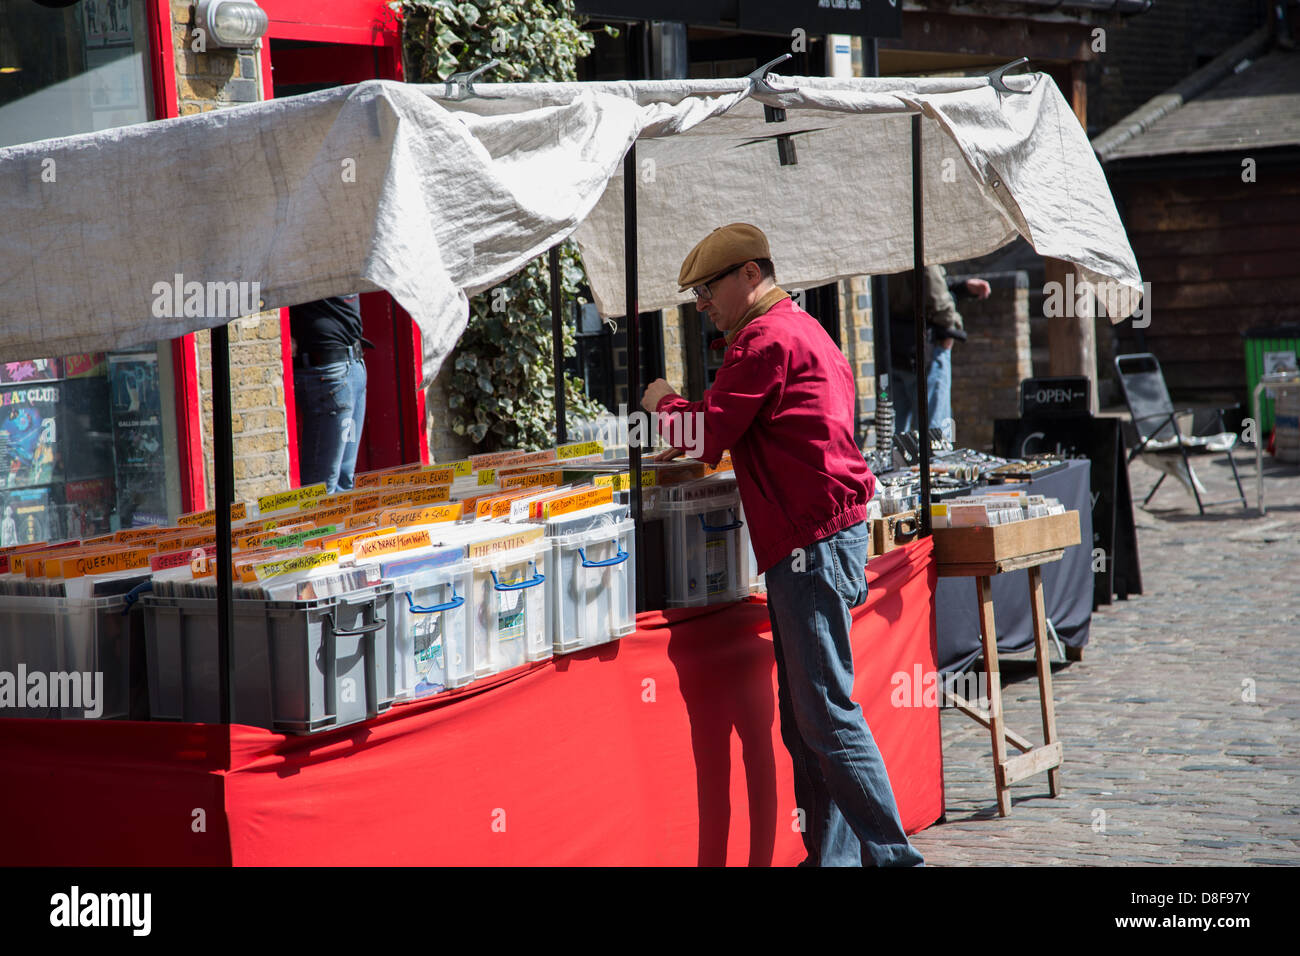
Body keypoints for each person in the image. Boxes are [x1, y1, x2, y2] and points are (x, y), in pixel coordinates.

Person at [641, 223, 924, 867]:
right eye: (695, 296)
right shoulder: (801, 327)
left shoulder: (764, 340)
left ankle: (895, 860)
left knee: (824, 713)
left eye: (707, 290)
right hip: (820, 536)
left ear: (749, 274)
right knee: (805, 717)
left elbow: (703, 437)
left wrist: (662, 400)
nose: (702, 304)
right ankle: (835, 859)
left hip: (812, 542)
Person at [888, 265, 990, 440]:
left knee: (897, 434)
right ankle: (935, 465)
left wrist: (961, 287)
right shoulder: (918, 243)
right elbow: (931, 282)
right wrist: (951, 327)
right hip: (926, 345)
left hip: (894, 343)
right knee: (935, 432)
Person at [289, 294, 369, 493]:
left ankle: (335, 524)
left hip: (354, 363)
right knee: (322, 486)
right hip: (329, 370)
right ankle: (316, 525)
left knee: (344, 481)